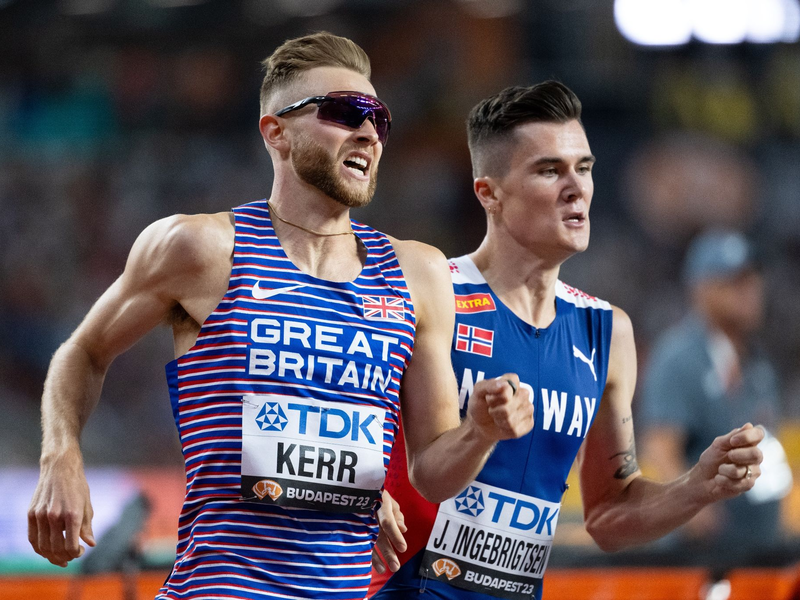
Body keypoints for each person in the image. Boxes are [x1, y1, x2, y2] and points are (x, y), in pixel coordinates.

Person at [26, 32, 534, 600]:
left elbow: (432, 473)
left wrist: (480, 432)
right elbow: (83, 351)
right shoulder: (201, 249)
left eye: (380, 120)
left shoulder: (418, 273)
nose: (368, 131)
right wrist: (61, 456)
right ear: (278, 133)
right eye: (345, 112)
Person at [368, 82, 766, 600]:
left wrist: (696, 488)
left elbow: (608, 514)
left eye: (585, 167)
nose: (577, 187)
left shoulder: (606, 331)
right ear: (489, 193)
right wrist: (360, 497)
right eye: (549, 170)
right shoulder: (429, 292)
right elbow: (319, 407)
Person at [639, 228, 792, 555]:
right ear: (701, 289)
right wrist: (692, 507)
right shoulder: (679, 357)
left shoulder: (758, 363)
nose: (750, 292)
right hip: (699, 551)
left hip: (758, 543)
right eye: (735, 282)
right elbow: (660, 446)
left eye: (753, 280)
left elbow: (770, 445)